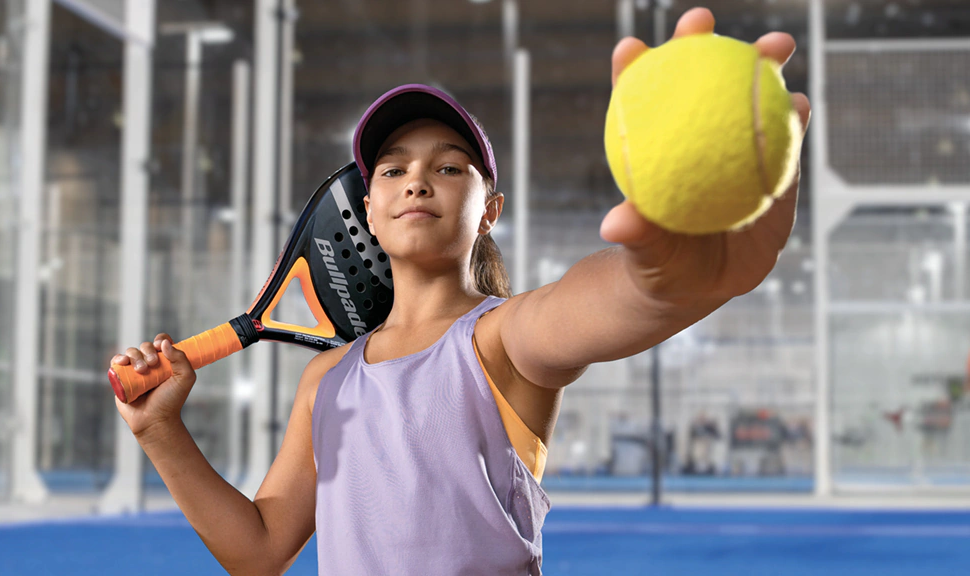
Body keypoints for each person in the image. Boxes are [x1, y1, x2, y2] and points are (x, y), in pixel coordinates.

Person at [110, 8, 811, 575]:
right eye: (391, 170)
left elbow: (611, 298)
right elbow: (260, 552)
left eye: (450, 167)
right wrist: (161, 430)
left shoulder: (504, 337)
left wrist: (671, 281)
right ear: (370, 212)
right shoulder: (326, 381)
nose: (417, 179)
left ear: (489, 211)